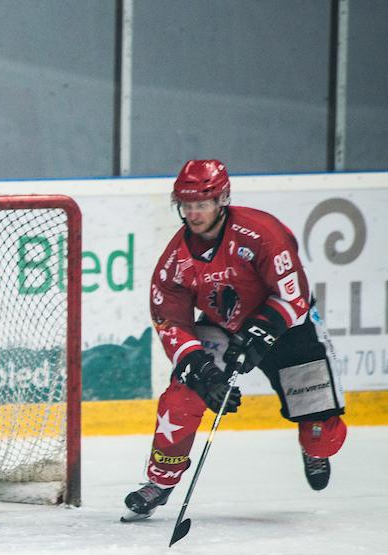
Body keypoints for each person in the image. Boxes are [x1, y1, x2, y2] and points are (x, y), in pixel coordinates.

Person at [122, 159, 347, 521]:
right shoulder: (174, 262)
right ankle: (159, 482)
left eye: (202, 204)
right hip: (222, 327)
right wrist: (203, 371)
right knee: (183, 396)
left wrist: (257, 333)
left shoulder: (262, 233)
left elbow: (294, 297)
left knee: (321, 430)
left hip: (289, 329)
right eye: (187, 205)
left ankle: (315, 449)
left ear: (221, 200)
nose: (194, 214)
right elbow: (171, 323)